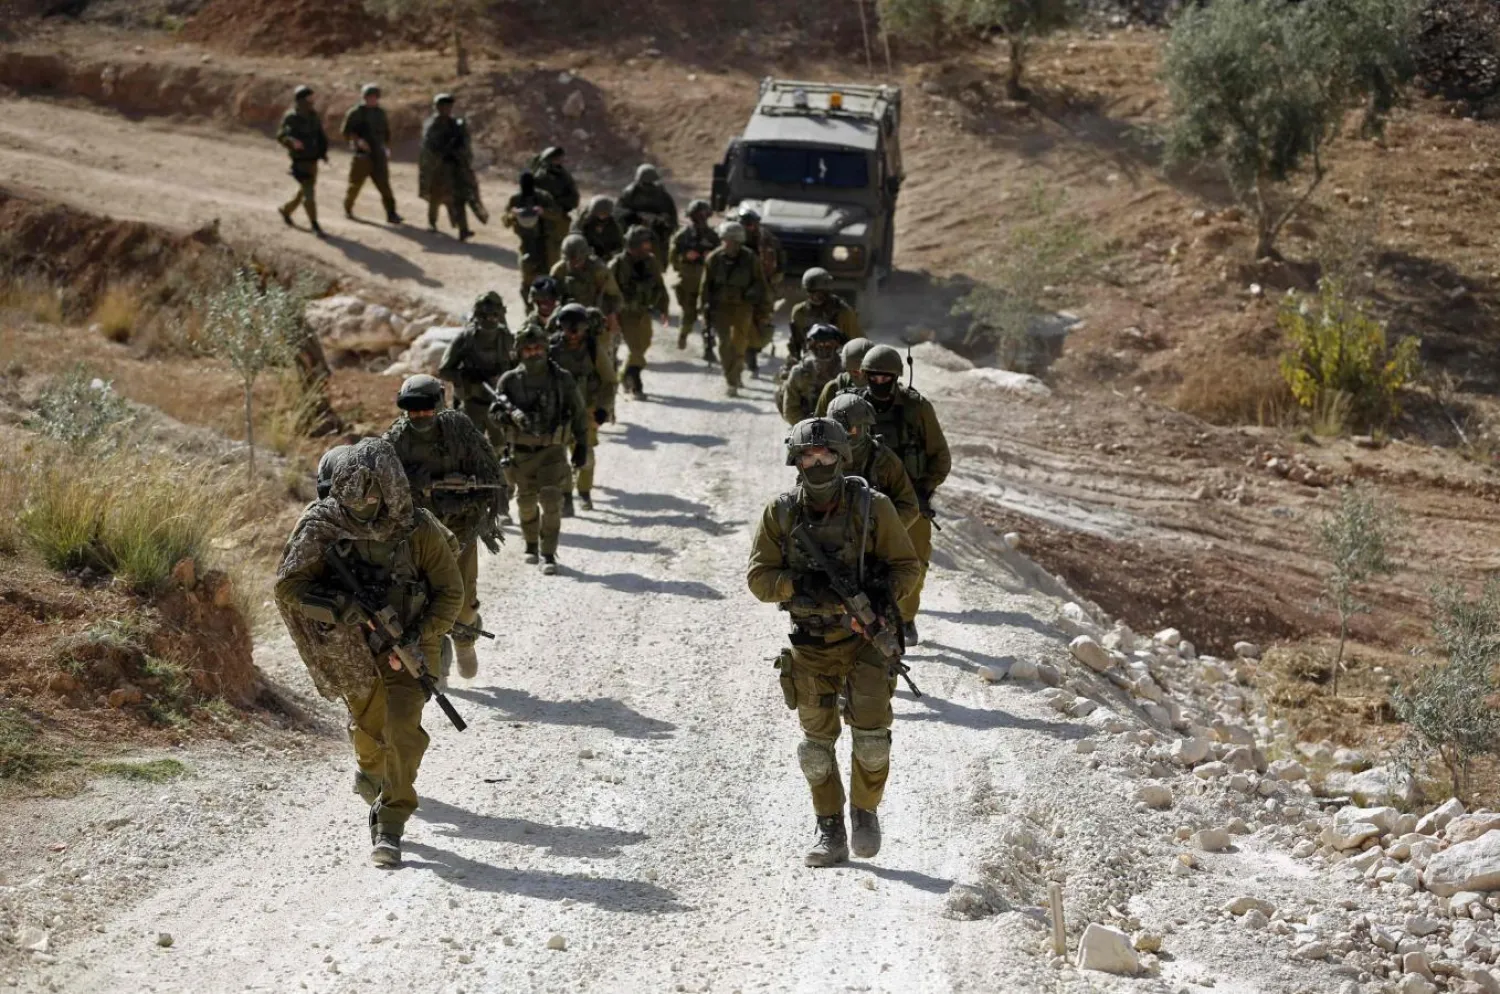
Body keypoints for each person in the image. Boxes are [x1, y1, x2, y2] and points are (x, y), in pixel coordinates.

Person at [274, 438, 463, 868]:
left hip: (409, 644)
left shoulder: (418, 528)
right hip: (349, 648)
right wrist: (343, 607)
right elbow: (289, 587)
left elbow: (451, 593)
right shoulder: (321, 527)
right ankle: (371, 775)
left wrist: (415, 637)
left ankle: (390, 824)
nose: (366, 506)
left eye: (375, 495)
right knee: (369, 731)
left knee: (403, 730)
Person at [746, 418, 920, 867]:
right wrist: (802, 589)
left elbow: (907, 567)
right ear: (796, 460)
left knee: (872, 741)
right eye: (808, 456)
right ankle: (830, 830)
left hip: (865, 642)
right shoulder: (781, 513)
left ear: (842, 458)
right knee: (816, 749)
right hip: (811, 646)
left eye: (826, 456)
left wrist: (880, 597)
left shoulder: (872, 508)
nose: (818, 463)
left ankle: (865, 811)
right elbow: (759, 580)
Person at [383, 374, 505, 682]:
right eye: (413, 410)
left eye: (426, 409)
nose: (420, 416)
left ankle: (464, 641)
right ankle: (436, 661)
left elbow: (492, 479)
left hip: (460, 532)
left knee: (462, 606)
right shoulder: (396, 441)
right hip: (418, 538)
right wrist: (415, 486)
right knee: (420, 603)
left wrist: (463, 502)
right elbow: (383, 488)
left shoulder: (459, 431)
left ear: (438, 406)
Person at [857, 345, 951, 645]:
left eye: (887, 378)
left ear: (897, 377)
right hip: (865, 502)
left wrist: (924, 490)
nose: (880, 383)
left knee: (914, 563)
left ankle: (906, 617)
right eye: (874, 377)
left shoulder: (917, 408)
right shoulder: (854, 407)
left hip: (911, 502)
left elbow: (940, 456)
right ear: (865, 375)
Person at [489, 325, 589, 575]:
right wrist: (507, 416)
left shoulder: (561, 378)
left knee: (551, 500)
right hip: (521, 453)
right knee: (525, 503)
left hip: (553, 451)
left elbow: (578, 413)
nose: (533, 353)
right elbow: (494, 412)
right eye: (528, 349)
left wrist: (582, 445)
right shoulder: (509, 381)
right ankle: (531, 546)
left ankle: (548, 553)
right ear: (519, 352)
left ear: (546, 349)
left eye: (538, 348)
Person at [438, 291, 515, 519]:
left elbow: (521, 367)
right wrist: (467, 380)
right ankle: (471, 503)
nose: (490, 320)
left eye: (494, 315)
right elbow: (445, 369)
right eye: (485, 315)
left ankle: (502, 503)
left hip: (499, 405)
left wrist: (504, 381)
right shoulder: (465, 338)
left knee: (503, 453)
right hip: (472, 405)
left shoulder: (506, 338)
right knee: (468, 455)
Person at [548, 303, 616, 514]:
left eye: (578, 329)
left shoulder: (593, 349)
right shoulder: (551, 349)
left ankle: (584, 491)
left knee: (585, 454)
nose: (574, 334)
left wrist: (603, 410)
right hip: (558, 411)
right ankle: (566, 495)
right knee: (558, 455)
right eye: (569, 329)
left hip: (586, 410)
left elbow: (610, 381)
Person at [825, 393, 920, 530]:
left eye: (851, 429)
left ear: (865, 427)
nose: (844, 435)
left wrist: (880, 533)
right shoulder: (821, 456)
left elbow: (909, 507)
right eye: (838, 429)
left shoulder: (885, 460)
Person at [700, 221, 769, 396]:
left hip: (743, 308)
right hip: (720, 308)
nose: (726, 244)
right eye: (724, 240)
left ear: (738, 241)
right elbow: (705, 286)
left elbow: (760, 283)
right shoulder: (714, 259)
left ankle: (735, 375)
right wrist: (703, 310)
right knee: (724, 344)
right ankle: (731, 379)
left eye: (730, 240)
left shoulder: (750, 259)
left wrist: (763, 308)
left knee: (739, 343)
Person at [610, 225, 669, 400]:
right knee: (636, 348)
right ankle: (633, 381)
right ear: (633, 245)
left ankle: (627, 373)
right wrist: (609, 315)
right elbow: (606, 291)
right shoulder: (617, 265)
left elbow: (659, 285)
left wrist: (663, 308)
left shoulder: (651, 261)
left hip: (642, 311)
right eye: (644, 244)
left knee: (644, 344)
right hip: (623, 313)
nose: (648, 247)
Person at [419, 93, 482, 240]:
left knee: (459, 197)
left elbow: (465, 145)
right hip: (438, 168)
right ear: (437, 108)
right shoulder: (433, 125)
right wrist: (441, 153)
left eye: (448, 106)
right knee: (436, 197)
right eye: (443, 106)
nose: (446, 109)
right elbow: (428, 147)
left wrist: (459, 150)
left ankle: (463, 229)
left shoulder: (456, 125)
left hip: (454, 167)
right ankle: (432, 222)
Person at [551, 233, 623, 354]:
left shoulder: (598, 270)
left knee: (601, 355)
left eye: (578, 260)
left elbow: (613, 295)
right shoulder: (559, 270)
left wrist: (612, 318)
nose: (575, 264)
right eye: (570, 260)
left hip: (594, 318)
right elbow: (551, 296)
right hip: (568, 320)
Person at [341, 83, 401, 224]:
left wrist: (386, 146)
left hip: (378, 155)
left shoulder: (380, 113)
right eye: (369, 97)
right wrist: (358, 141)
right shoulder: (355, 113)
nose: (372, 100)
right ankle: (348, 207)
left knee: (384, 186)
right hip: (363, 155)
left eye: (374, 97)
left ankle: (391, 214)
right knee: (355, 185)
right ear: (364, 97)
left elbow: (386, 132)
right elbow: (346, 131)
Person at [736, 206, 786, 376]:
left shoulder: (769, 240)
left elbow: (781, 263)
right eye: (744, 224)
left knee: (762, 323)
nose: (747, 227)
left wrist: (773, 283)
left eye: (750, 224)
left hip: (764, 289)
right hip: (741, 290)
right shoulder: (735, 240)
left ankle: (754, 349)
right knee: (743, 323)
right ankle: (749, 359)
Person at [276, 85, 329, 236]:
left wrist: (323, 152)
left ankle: (286, 210)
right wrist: (292, 142)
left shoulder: (313, 116)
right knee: (309, 194)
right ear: (301, 100)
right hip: (300, 161)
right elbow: (281, 136)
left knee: (305, 191)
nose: (312, 101)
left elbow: (320, 135)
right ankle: (314, 225)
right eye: (309, 98)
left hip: (313, 160)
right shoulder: (291, 117)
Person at [669, 199, 719, 350]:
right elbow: (673, 258)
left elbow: (721, 257)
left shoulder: (713, 236)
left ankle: (708, 346)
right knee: (689, 313)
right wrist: (685, 257)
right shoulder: (682, 235)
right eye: (698, 216)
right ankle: (683, 335)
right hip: (688, 278)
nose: (701, 219)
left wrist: (710, 256)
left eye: (704, 216)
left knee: (709, 314)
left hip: (708, 278)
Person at [504, 172, 560, 303]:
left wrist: (543, 212)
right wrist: (514, 214)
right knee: (528, 278)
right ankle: (530, 307)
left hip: (546, 242)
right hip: (527, 244)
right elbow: (505, 221)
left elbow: (557, 214)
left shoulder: (543, 197)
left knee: (550, 276)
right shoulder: (516, 199)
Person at [778, 324, 844, 425]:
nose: (823, 350)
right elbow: (791, 410)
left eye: (828, 346)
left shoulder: (844, 370)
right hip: (807, 424)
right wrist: (808, 427)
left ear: (835, 346)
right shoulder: (800, 372)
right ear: (812, 347)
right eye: (819, 346)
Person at [788, 268, 859, 361]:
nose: (815, 297)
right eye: (811, 293)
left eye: (819, 293)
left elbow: (857, 342)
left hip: (838, 360)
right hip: (810, 360)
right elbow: (795, 342)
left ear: (827, 292)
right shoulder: (799, 312)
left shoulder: (843, 312)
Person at [618, 163, 678, 252]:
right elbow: (619, 213)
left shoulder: (662, 195)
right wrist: (637, 217)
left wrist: (660, 220)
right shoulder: (630, 194)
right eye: (645, 183)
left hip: (657, 233)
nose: (648, 186)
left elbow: (671, 217)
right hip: (633, 233)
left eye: (651, 183)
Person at [814, 338, 874, 416]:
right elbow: (820, 423)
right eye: (855, 372)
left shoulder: (886, 384)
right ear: (847, 369)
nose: (860, 376)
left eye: (865, 372)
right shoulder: (833, 388)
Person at [572, 195, 625, 261]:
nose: (603, 216)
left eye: (605, 214)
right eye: (600, 213)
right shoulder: (584, 222)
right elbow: (575, 239)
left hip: (606, 258)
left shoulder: (613, 225)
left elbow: (619, 244)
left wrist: (612, 253)